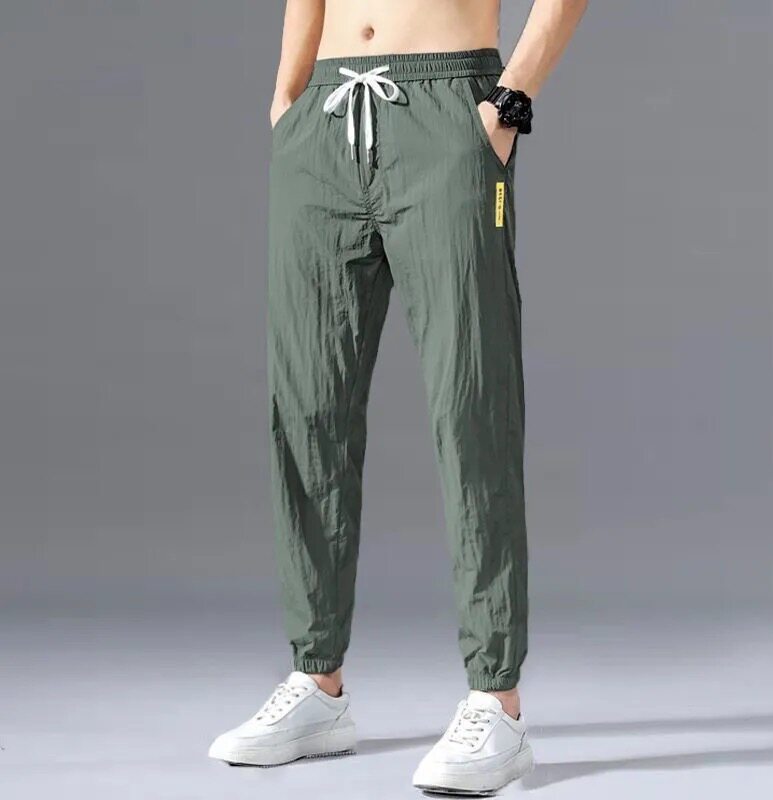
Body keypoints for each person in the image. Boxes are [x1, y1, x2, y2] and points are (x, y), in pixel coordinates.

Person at [209, 0, 587, 793]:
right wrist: (288, 99)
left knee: (471, 402)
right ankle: (318, 682)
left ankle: (497, 700)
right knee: (307, 407)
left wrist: (510, 101)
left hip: (447, 112)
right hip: (324, 116)